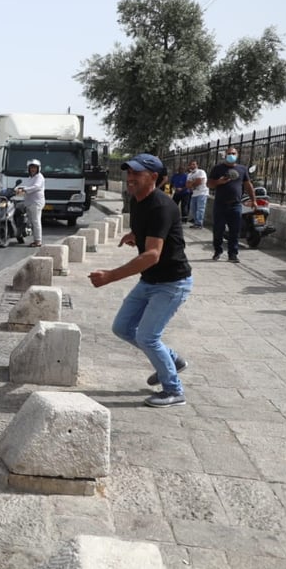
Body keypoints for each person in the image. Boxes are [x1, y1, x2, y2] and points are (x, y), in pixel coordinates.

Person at [90, 154, 192, 408]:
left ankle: (173, 390)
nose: (130, 178)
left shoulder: (162, 206)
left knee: (148, 337)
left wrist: (110, 276)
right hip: (150, 281)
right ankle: (172, 361)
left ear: (154, 177)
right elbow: (148, 232)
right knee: (122, 328)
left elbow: (152, 255)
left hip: (171, 283)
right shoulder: (137, 200)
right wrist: (134, 234)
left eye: (137, 173)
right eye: (129, 173)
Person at [207, 146, 256, 263]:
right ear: (225, 155)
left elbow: (248, 185)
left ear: (237, 155)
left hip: (235, 205)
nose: (231, 155)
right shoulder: (217, 169)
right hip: (220, 204)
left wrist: (253, 200)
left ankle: (233, 254)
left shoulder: (242, 169)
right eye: (229, 153)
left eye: (233, 153)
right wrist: (219, 181)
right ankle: (217, 251)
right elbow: (209, 184)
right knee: (218, 230)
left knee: (235, 231)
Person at [17, 158, 45, 247]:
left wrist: (24, 189)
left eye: (35, 168)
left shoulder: (39, 177)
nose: (33, 169)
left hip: (36, 202)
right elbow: (27, 186)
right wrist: (18, 188)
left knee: (36, 221)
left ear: (38, 168)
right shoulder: (30, 178)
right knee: (31, 222)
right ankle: (33, 238)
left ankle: (38, 241)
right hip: (29, 202)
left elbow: (36, 187)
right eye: (31, 168)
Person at [187, 159, 208, 228]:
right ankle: (196, 222)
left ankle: (199, 224)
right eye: (191, 164)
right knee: (193, 209)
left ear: (197, 165)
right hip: (194, 193)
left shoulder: (201, 172)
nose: (193, 166)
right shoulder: (189, 174)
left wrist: (192, 183)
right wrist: (193, 183)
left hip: (202, 192)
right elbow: (187, 185)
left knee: (200, 208)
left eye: (194, 164)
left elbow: (199, 181)